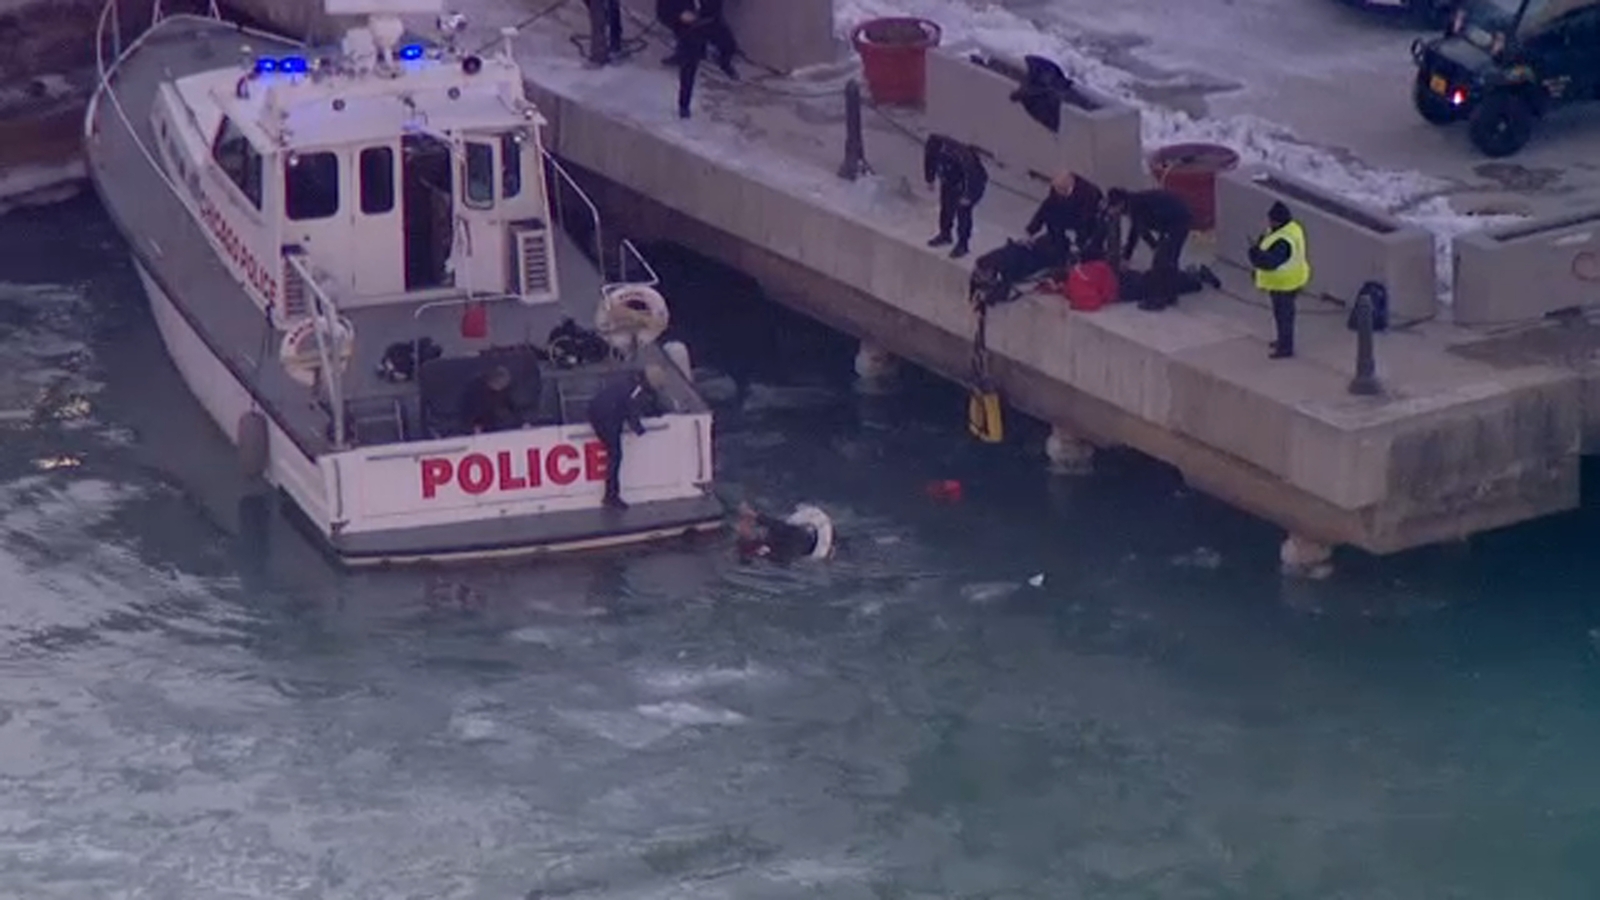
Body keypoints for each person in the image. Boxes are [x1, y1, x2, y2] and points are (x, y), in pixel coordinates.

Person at [587, 366, 667, 509]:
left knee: (614, 455)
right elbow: (632, 410)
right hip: (605, 416)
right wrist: (640, 430)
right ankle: (611, 496)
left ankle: (611, 495)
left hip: (601, 410)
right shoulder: (637, 390)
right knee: (615, 455)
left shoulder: (631, 381)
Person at [1106, 187, 1194, 311]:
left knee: (1161, 261)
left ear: (1120, 203)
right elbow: (1139, 230)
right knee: (1169, 259)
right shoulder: (1134, 202)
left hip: (1176, 221)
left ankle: (1157, 300)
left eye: (1113, 208)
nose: (1113, 211)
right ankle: (1170, 295)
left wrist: (1127, 257)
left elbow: (1138, 231)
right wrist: (1155, 247)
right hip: (1175, 219)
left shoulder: (1136, 205)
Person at [1248, 201, 1311, 359]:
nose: (1268, 222)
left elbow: (1270, 262)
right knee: (1283, 315)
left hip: (1284, 284)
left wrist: (1254, 253)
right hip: (1293, 279)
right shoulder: (1292, 229)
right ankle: (1283, 341)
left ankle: (1285, 348)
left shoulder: (1283, 241)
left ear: (1277, 220)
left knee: (1284, 316)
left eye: (1270, 219)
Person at [667, 0, 738, 119]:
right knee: (689, 67)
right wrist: (679, 15)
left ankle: (723, 62)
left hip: (711, 21)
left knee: (729, 45)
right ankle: (684, 106)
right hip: (689, 29)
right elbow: (665, 9)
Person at [924, 134, 988, 259]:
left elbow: (973, 175)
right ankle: (945, 235)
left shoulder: (960, 154)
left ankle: (963, 245)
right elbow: (929, 162)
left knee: (963, 213)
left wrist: (968, 195)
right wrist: (930, 179)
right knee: (946, 208)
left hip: (967, 184)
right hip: (949, 180)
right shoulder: (933, 148)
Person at [1025, 171, 1105, 264]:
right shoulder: (1058, 190)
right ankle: (1058, 246)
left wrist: (1079, 242)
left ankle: (1085, 253)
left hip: (1088, 217)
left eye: (1060, 190)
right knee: (1051, 216)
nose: (1057, 192)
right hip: (1071, 212)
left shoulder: (1088, 193)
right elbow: (1046, 207)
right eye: (1056, 189)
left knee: (1089, 234)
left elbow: (1087, 217)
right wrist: (1031, 230)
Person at [734, 502, 828, 564]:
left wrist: (757, 516)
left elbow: (778, 526)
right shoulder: (748, 548)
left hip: (798, 546)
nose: (739, 527)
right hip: (794, 550)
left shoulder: (777, 532)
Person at [459, 365, 520, 434]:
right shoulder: (476, 395)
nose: (504, 383)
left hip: (506, 431)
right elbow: (471, 414)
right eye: (500, 380)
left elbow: (516, 412)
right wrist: (476, 425)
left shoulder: (507, 396)